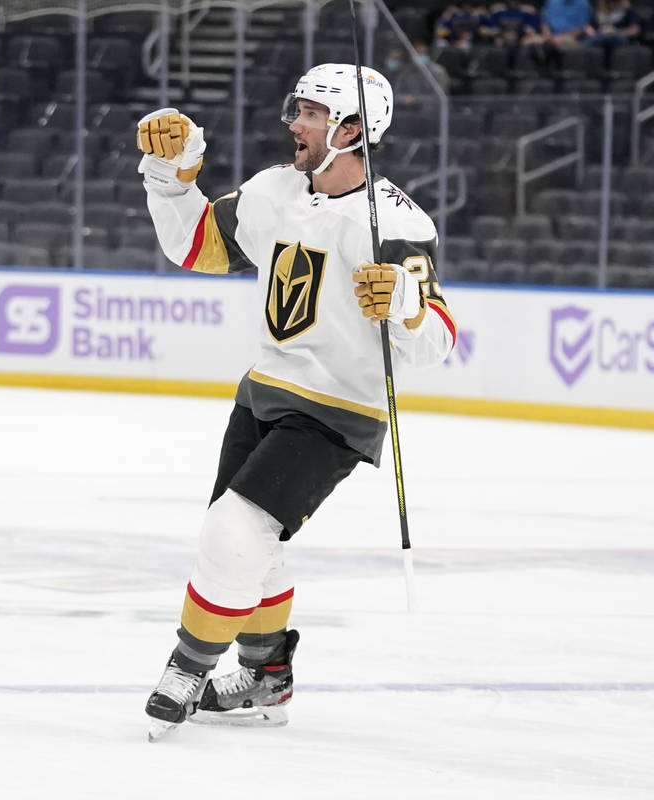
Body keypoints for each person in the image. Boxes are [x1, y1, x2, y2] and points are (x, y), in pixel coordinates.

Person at [134, 64, 458, 741]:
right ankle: (265, 675)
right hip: (262, 395)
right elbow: (194, 245)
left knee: (233, 534)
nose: (294, 123)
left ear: (352, 130)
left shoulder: (398, 222)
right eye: (297, 110)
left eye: (310, 113)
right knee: (254, 543)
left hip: (336, 413)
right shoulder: (274, 190)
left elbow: (438, 341)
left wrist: (406, 306)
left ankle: (186, 667)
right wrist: (172, 174)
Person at [384, 42, 449, 99]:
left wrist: (416, 99)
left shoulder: (438, 72)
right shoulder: (406, 71)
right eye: (417, 53)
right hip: (406, 110)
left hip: (431, 110)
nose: (420, 56)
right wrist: (403, 98)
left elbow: (440, 96)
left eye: (422, 53)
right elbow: (396, 93)